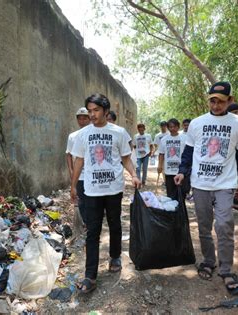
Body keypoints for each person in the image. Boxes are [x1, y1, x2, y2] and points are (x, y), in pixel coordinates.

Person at [174, 81, 238, 296]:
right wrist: (182, 171)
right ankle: (209, 260)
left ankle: (226, 270)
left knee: (225, 224)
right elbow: (188, 153)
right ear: (208, 99)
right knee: (204, 226)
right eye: (213, 100)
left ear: (230, 101)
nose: (216, 105)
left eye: (221, 101)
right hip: (200, 184)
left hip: (226, 183)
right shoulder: (197, 123)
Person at [70, 93, 140, 293]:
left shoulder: (119, 132)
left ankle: (115, 256)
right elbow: (79, 161)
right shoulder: (83, 134)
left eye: (96, 110)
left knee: (114, 223)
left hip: (113, 188)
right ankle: (90, 275)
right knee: (92, 231)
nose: (92, 114)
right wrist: (73, 185)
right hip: (91, 190)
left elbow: (126, 158)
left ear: (106, 111)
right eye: (89, 111)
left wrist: (134, 174)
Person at [66, 107, 91, 224]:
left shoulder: (94, 134)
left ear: (89, 118)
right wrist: (71, 171)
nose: (82, 121)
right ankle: (85, 224)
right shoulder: (73, 136)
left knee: (92, 200)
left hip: (92, 174)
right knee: (81, 201)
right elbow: (69, 155)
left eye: (85, 118)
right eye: (79, 119)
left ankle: (92, 222)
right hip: (80, 175)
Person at [157, 118, 187, 200]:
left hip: (181, 171)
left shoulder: (185, 138)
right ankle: (171, 211)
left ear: (178, 127)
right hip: (169, 171)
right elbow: (161, 153)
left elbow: (188, 154)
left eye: (174, 127)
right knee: (170, 194)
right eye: (170, 127)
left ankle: (181, 211)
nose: (172, 129)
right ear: (168, 128)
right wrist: (160, 165)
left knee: (181, 194)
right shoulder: (164, 139)